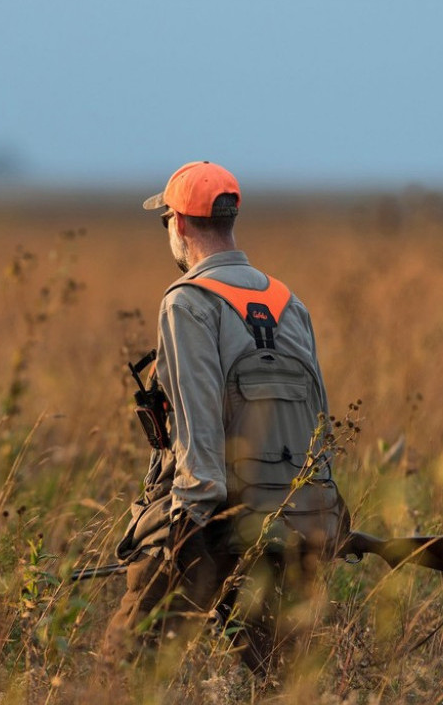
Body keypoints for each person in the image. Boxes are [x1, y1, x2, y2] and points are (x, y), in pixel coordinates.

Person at [101, 161, 348, 673]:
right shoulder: (288, 302)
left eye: (166, 219)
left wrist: (183, 530)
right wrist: (323, 511)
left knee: (124, 670)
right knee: (281, 678)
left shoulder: (186, 301)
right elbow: (318, 418)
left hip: (210, 520)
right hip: (294, 517)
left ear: (180, 224)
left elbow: (195, 420)